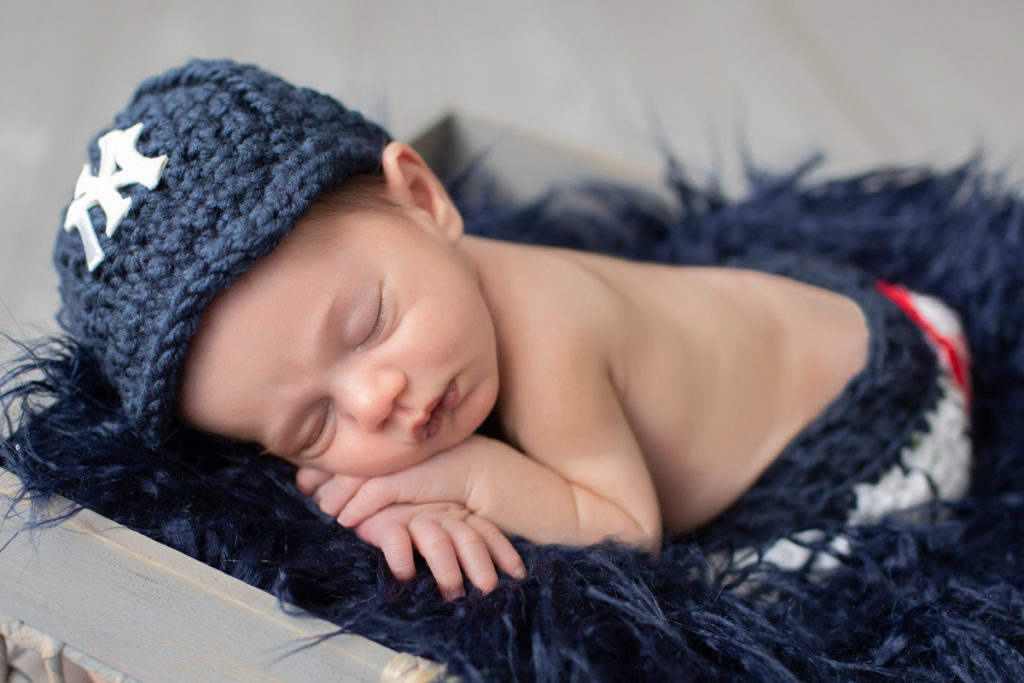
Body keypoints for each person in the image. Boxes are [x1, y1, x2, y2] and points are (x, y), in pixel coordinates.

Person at [52, 59, 972, 602]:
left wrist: (470, 476)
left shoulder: (549, 326)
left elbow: (627, 531)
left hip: (865, 421)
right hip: (808, 320)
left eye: (370, 324)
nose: (378, 399)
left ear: (424, 198)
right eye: (312, 427)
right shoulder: (444, 309)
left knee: (759, 603)